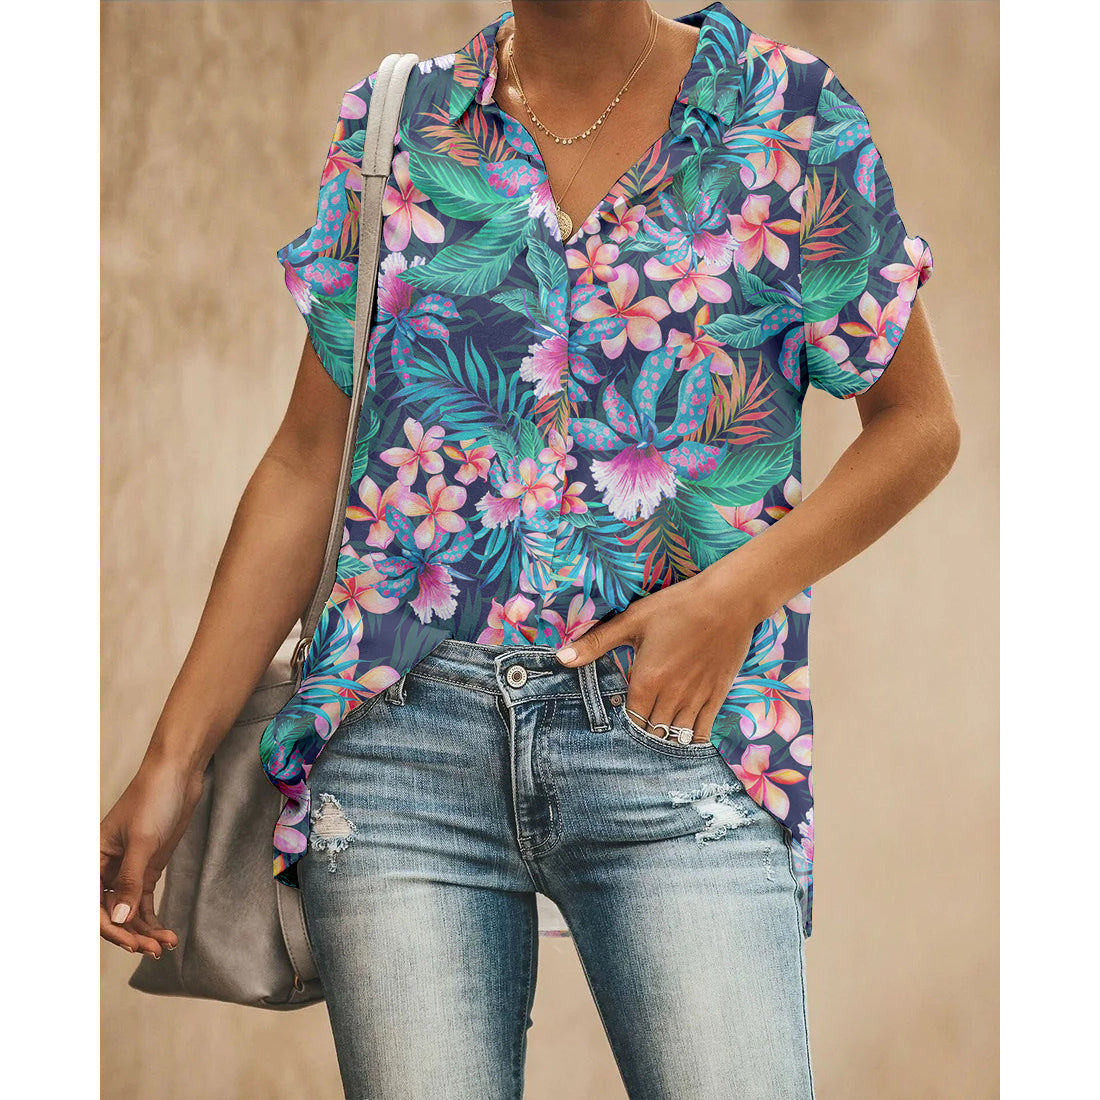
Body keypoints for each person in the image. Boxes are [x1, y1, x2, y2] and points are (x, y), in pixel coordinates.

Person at [101, 2, 958, 1096]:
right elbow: (307, 460)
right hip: (401, 753)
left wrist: (733, 596)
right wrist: (173, 758)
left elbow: (919, 425)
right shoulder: (399, 126)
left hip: (675, 738)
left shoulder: (786, 115)